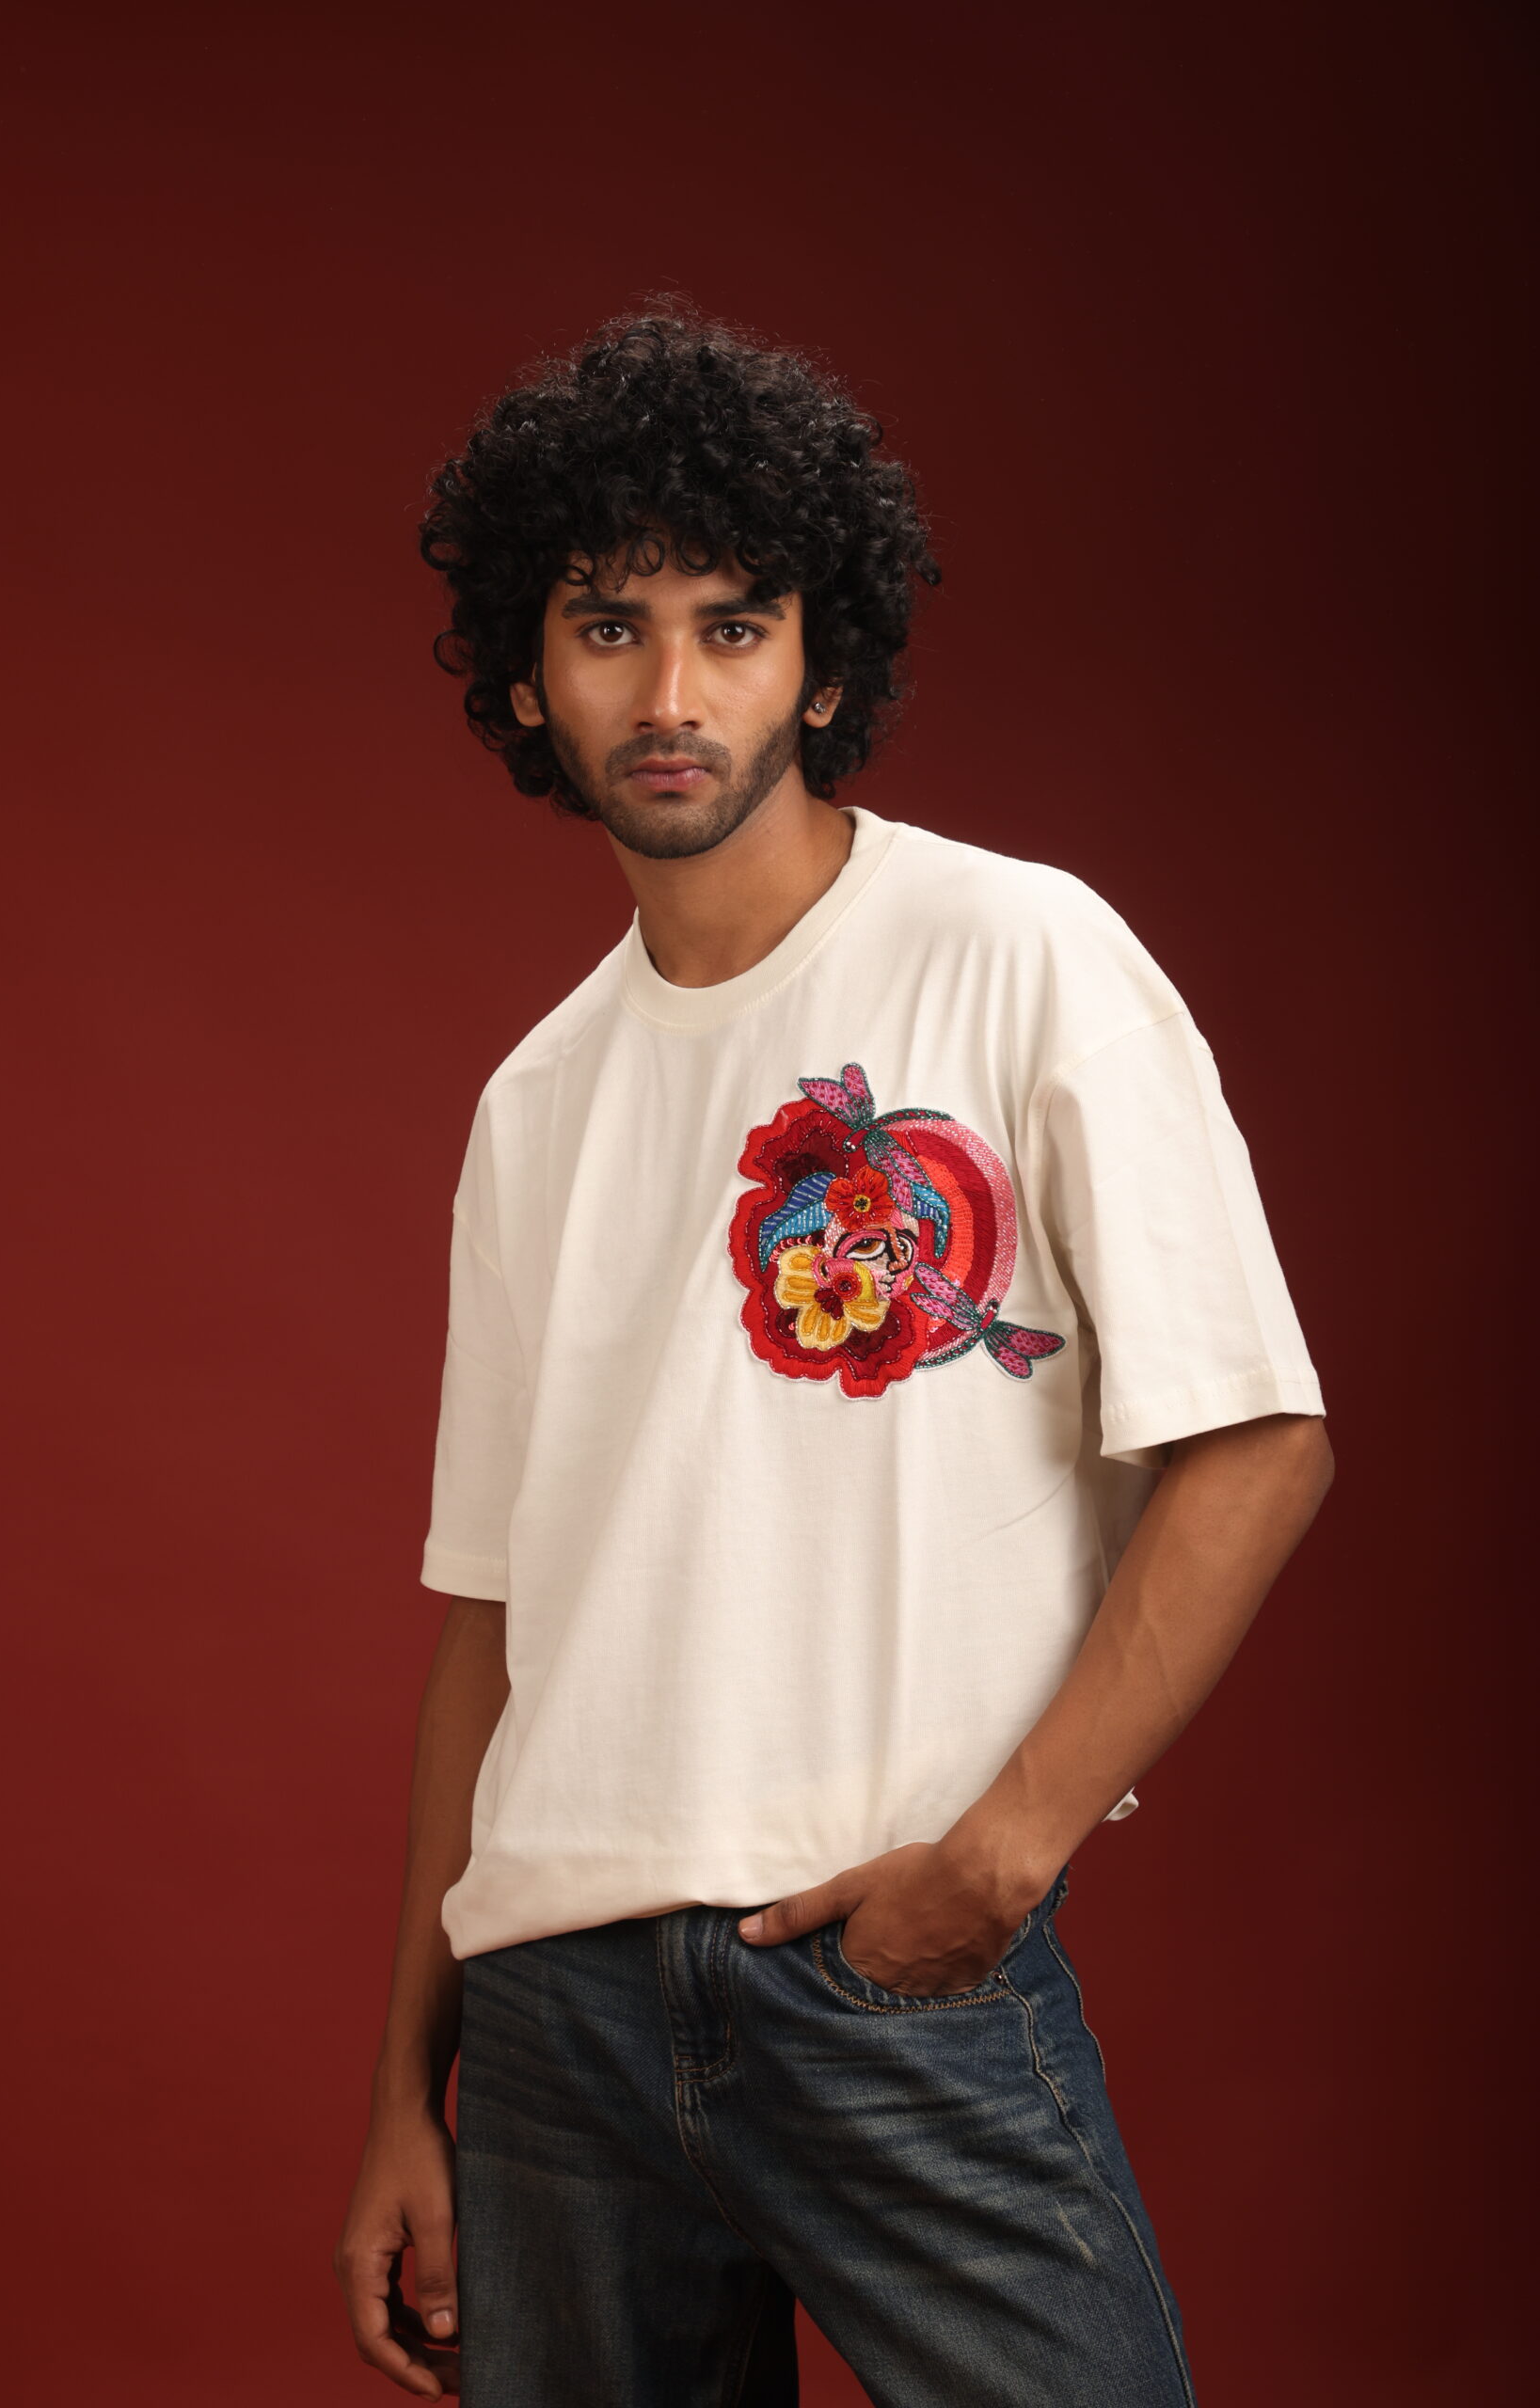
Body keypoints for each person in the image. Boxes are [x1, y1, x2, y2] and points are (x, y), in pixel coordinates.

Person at [333, 306, 1333, 2408]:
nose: (670, 695)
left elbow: (1255, 1442)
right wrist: (406, 2088)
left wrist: (1006, 1850)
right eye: (608, 629)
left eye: (732, 626)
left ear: (820, 663)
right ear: (523, 678)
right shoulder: (534, 1101)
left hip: (889, 1978)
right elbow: (492, 1626)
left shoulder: (1023, 952)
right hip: (554, 2034)